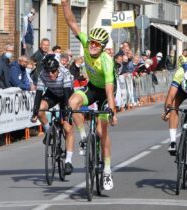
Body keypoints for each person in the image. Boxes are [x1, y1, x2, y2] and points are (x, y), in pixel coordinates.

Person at [62, 0, 118, 191]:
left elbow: (110, 91)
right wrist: (65, 6)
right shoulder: (86, 42)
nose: (93, 46)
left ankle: (108, 171)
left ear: (103, 47)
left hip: (106, 92)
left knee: (102, 133)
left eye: (97, 44)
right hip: (92, 86)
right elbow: (72, 23)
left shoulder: (107, 62)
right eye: (92, 42)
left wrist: (113, 111)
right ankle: (84, 136)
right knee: (72, 102)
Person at [31, 54, 74, 175]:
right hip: (53, 94)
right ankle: (49, 131)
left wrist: (66, 113)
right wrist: (35, 112)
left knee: (67, 127)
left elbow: (66, 95)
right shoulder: (42, 73)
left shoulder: (64, 72)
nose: (51, 74)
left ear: (58, 69)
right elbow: (39, 93)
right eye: (48, 72)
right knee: (40, 110)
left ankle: (68, 161)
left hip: (66, 94)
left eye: (53, 71)